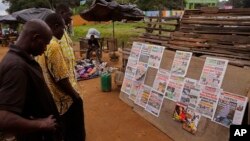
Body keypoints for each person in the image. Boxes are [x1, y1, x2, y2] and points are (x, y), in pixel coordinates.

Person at [0, 19, 62, 141]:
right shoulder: (16, 67)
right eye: (45, 43)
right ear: (36, 38)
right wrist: (42, 124)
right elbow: (3, 118)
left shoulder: (23, 59)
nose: (45, 49)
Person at [37, 13, 85, 141]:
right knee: (75, 134)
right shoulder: (53, 45)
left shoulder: (43, 44)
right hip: (66, 101)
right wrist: (76, 97)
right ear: (56, 26)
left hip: (55, 100)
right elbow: (61, 78)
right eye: (63, 28)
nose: (63, 31)